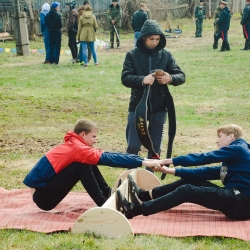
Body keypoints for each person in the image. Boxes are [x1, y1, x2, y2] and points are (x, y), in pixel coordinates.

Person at [23, 118, 166, 211]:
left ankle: (108, 194)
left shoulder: (76, 145)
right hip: (43, 197)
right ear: (83, 134)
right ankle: (103, 204)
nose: (95, 140)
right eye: (93, 136)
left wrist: (143, 160)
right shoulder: (77, 149)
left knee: (86, 161)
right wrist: (144, 162)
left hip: (43, 192)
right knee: (82, 165)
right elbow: (110, 160)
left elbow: (111, 155)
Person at [116, 124, 250, 221]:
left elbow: (203, 158)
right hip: (237, 200)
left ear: (231, 136)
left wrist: (168, 161)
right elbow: (207, 172)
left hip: (240, 204)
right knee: (190, 180)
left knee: (187, 191)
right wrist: (169, 170)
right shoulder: (238, 155)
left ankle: (133, 210)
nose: (217, 140)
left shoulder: (238, 149)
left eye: (220, 136)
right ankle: (144, 195)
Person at [121, 20, 185, 172]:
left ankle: (149, 180)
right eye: (151, 39)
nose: (154, 42)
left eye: (157, 39)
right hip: (137, 107)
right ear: (143, 38)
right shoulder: (132, 55)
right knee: (133, 145)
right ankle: (131, 177)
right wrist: (142, 79)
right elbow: (125, 78)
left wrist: (170, 78)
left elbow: (181, 75)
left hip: (160, 106)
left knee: (155, 148)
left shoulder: (166, 55)